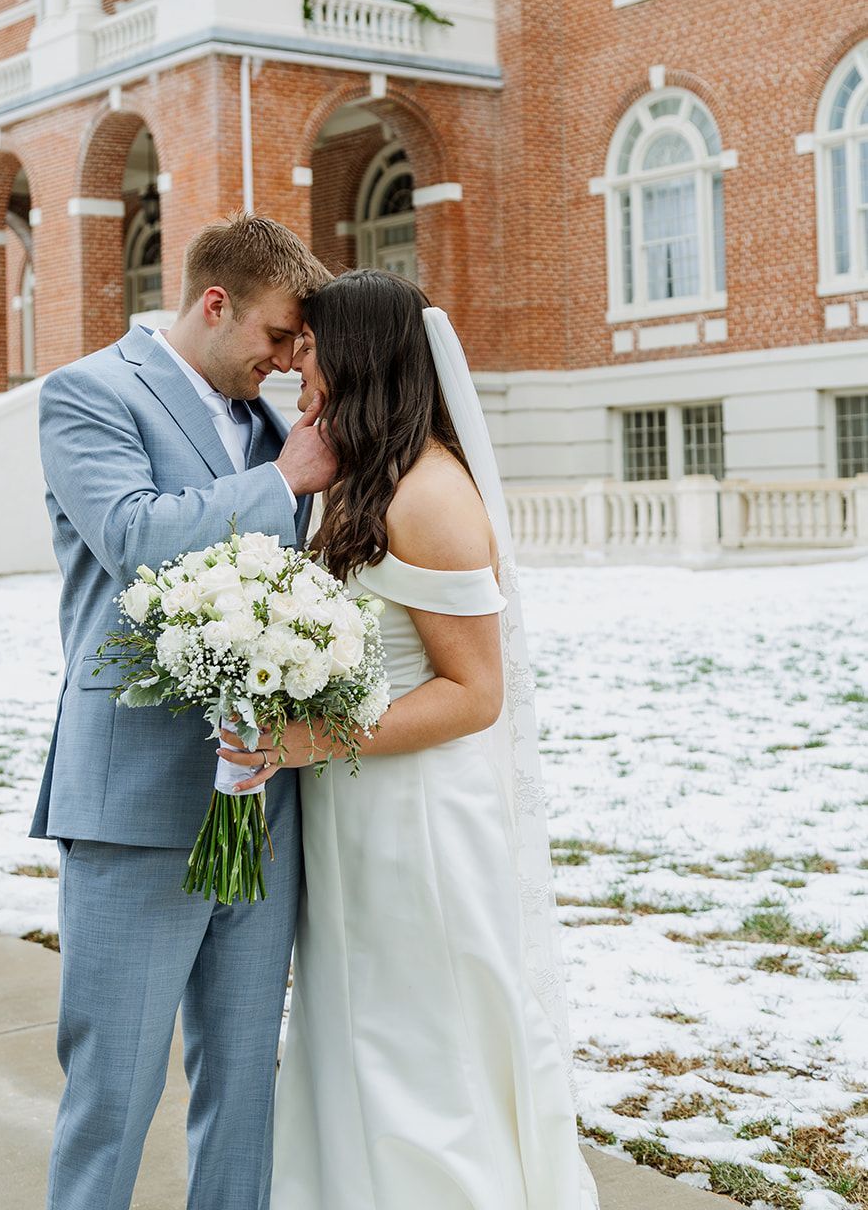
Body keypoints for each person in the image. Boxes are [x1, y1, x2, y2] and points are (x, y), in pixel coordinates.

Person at [219, 268, 601, 1210]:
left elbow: (474, 695)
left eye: (304, 352)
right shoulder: (355, 481)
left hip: (419, 822)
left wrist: (306, 741)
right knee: (358, 1038)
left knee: (420, 1053)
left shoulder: (429, 494)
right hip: (354, 812)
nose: (291, 371)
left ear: (357, 357)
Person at [31, 214, 335, 1210]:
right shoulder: (89, 393)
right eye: (279, 337)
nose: (289, 362)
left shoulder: (266, 423)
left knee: (243, 1087)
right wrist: (284, 480)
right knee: (114, 1092)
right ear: (216, 304)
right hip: (135, 799)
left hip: (259, 803)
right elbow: (130, 536)